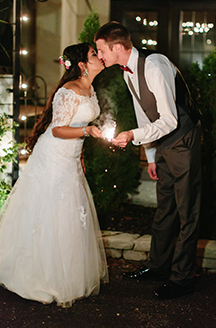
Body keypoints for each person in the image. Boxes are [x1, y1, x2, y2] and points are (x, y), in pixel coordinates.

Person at [95, 22, 202, 299]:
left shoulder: (153, 66)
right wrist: (151, 155)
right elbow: (145, 114)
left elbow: (169, 119)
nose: (99, 55)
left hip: (182, 139)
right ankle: (158, 267)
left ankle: (182, 278)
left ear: (117, 47)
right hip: (163, 144)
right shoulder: (127, 71)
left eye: (101, 49)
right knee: (165, 209)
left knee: (186, 211)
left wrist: (132, 135)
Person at [0, 43, 108, 307]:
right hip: (54, 156)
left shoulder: (90, 88)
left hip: (70, 156)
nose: (99, 57)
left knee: (69, 212)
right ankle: (39, 276)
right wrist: (88, 132)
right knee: (49, 211)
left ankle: (65, 274)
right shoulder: (68, 91)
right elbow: (59, 129)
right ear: (82, 64)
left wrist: (81, 149)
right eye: (94, 54)